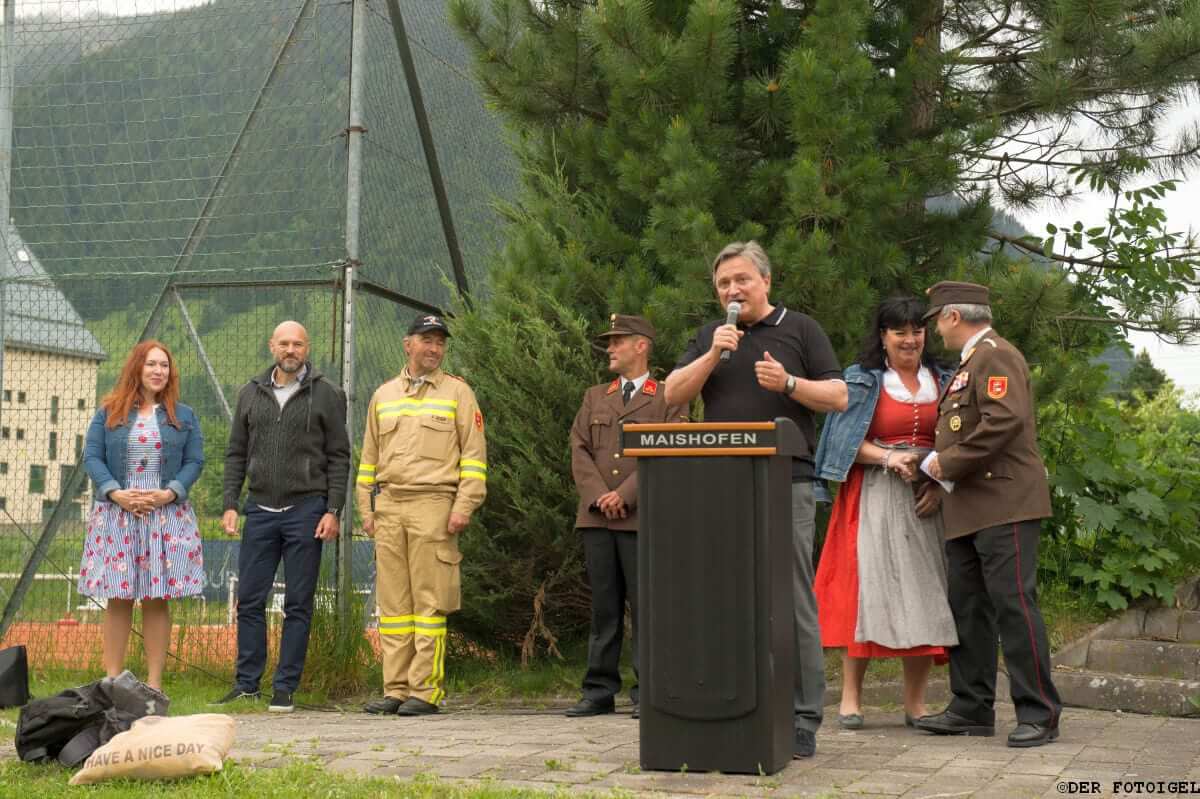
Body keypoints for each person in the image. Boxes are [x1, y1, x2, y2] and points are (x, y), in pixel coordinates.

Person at [665, 240, 848, 758]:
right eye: (723, 283)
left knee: (790, 597)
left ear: (766, 281)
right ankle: (738, 703)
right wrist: (712, 354)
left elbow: (839, 396)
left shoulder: (801, 329)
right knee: (727, 595)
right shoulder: (710, 336)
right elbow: (672, 395)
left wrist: (788, 383)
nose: (733, 290)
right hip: (721, 485)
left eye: (742, 279)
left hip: (787, 481)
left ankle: (803, 715)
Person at [912, 281, 1062, 748]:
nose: (936, 330)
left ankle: (1039, 712)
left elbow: (1004, 420)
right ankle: (971, 706)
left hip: (1004, 503)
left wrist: (947, 464)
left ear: (953, 316)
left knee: (1013, 605)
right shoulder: (971, 361)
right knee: (969, 610)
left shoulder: (994, 355)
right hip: (968, 506)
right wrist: (943, 477)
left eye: (937, 320)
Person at [811, 296, 959, 729]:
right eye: (900, 332)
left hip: (927, 494)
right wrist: (888, 458)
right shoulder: (861, 379)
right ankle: (850, 699)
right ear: (883, 336)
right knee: (867, 592)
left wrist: (939, 484)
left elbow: (960, 442)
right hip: (872, 491)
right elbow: (841, 442)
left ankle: (915, 703)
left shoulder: (946, 379)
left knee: (926, 592)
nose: (910, 339)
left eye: (917, 331)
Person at [214, 321, 350, 713]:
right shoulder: (250, 393)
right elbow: (236, 453)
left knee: (298, 603)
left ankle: (285, 687)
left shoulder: (327, 394)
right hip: (259, 509)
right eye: (284, 343)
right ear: (272, 346)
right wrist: (230, 503)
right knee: (250, 600)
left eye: (298, 344)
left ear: (308, 348)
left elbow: (340, 455)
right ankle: (246, 684)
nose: (291, 350)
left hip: (307, 510)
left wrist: (333, 509)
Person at [357, 314, 487, 717]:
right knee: (394, 605)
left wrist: (463, 505)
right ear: (407, 344)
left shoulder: (458, 393)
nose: (434, 348)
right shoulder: (383, 395)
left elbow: (474, 457)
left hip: (434, 506)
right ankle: (395, 689)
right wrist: (366, 509)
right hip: (389, 508)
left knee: (430, 604)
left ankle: (425, 691)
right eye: (427, 340)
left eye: (440, 342)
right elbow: (368, 459)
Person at [565, 315, 689, 719]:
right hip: (598, 518)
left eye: (618, 341)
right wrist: (600, 496)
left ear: (642, 345)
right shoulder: (594, 396)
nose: (610, 348)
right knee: (604, 608)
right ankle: (598, 690)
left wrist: (626, 494)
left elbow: (671, 449)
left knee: (648, 606)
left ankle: (650, 689)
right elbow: (579, 449)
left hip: (642, 518)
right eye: (610, 342)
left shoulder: (669, 395)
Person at [80, 340, 205, 693]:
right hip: (117, 517)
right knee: (118, 598)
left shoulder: (184, 416)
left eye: (164, 365)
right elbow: (92, 457)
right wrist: (116, 492)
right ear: (137, 367)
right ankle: (112, 681)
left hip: (164, 517)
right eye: (151, 364)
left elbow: (195, 461)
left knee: (155, 598)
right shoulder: (108, 413)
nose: (158, 371)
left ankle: (153, 685)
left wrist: (170, 492)